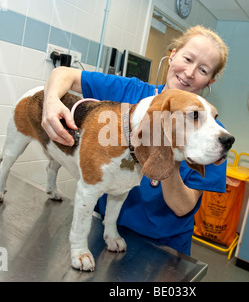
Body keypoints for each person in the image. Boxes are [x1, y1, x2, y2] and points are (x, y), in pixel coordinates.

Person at [41, 25, 229, 255]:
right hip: (103, 230)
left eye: (203, 70)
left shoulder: (214, 138)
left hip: (162, 248)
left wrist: (165, 152)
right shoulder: (131, 91)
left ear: (209, 81)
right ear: (172, 55)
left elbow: (182, 208)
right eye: (187, 59)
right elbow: (63, 74)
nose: (190, 72)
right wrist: (50, 102)